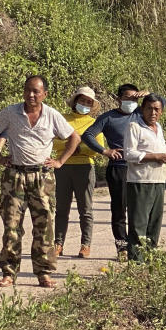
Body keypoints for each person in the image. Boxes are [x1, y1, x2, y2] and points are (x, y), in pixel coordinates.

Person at [0, 75, 80, 288]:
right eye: (28, 90)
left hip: (42, 177)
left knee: (44, 225)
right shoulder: (11, 112)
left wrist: (60, 161)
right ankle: (9, 272)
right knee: (11, 225)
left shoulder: (52, 115)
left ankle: (44, 272)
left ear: (45, 94)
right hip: (15, 176)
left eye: (36, 91)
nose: (31, 95)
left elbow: (74, 137)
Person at [81, 84, 141, 261]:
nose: (131, 102)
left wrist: (147, 95)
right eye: (127, 98)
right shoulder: (108, 118)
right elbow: (88, 135)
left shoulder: (140, 115)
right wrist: (105, 151)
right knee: (119, 208)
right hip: (118, 168)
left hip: (139, 168)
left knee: (138, 208)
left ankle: (137, 245)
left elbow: (159, 105)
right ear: (118, 99)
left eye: (134, 99)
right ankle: (122, 245)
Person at [52, 86, 103, 258]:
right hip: (63, 167)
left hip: (85, 167)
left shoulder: (94, 123)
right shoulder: (62, 119)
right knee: (61, 208)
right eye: (82, 100)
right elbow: (54, 143)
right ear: (75, 101)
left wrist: (75, 148)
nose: (85, 104)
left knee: (85, 208)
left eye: (88, 102)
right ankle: (58, 243)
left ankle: (85, 244)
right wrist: (74, 146)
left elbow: (97, 148)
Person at [123, 94, 166, 260]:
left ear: (162, 111)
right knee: (139, 225)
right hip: (140, 181)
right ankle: (136, 263)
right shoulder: (134, 126)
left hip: (158, 180)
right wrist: (155, 157)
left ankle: (150, 260)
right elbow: (129, 154)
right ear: (142, 109)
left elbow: (157, 151)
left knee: (154, 224)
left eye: (157, 109)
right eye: (149, 108)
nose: (153, 112)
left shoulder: (158, 127)